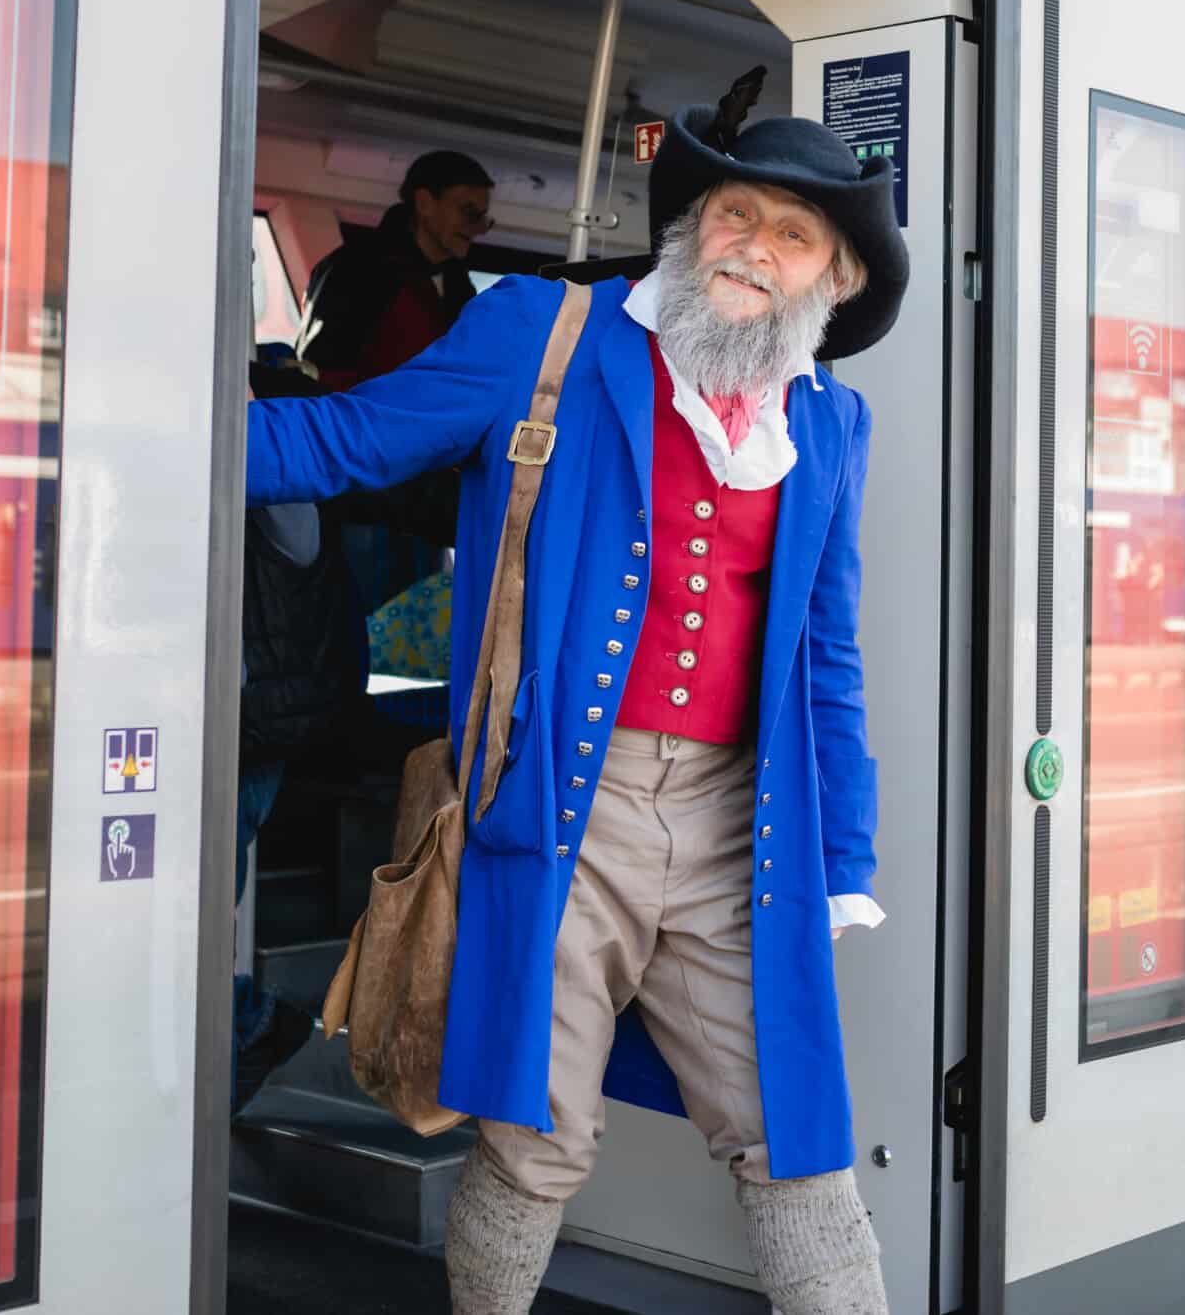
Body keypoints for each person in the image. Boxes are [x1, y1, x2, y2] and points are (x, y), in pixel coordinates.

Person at [246, 93, 908, 1315]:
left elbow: (826, 654)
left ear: (839, 276)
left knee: (795, 1130)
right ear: (691, 228)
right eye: (734, 213)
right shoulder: (542, 336)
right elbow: (344, 439)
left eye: (795, 236)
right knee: (533, 1132)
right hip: (560, 804)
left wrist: (844, 857)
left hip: (734, 831)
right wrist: (132, 430)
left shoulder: (828, 423)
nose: (755, 247)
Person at [231, 346, 384, 1113]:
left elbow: (293, 546)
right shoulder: (274, 449)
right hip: (249, 715)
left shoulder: (263, 447)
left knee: (194, 906)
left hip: (248, 724)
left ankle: (246, 1026)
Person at [298, 149, 495, 389]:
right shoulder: (357, 267)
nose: (480, 228)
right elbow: (316, 372)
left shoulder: (460, 288)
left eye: (483, 217)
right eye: (468, 212)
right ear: (424, 204)